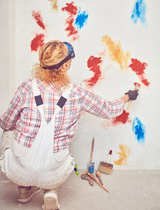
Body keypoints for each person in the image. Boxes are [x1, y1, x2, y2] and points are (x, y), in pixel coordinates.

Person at [0, 40, 138, 210]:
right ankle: (50, 190)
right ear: (65, 66)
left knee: (9, 131)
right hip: (54, 173)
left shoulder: (27, 88)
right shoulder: (77, 93)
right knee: (56, 148)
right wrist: (127, 97)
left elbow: (6, 123)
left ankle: (24, 189)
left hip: (17, 170)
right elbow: (108, 110)